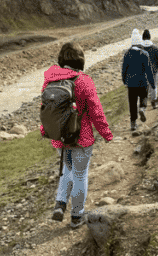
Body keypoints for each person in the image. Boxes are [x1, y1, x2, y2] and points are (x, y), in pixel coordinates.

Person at [40, 41, 113, 228]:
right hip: (82, 138)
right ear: (80, 60)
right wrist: (106, 134)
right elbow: (96, 111)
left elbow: (46, 110)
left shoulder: (50, 80)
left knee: (67, 170)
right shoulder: (83, 81)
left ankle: (60, 203)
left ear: (61, 60)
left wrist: (46, 131)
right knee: (80, 175)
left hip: (59, 137)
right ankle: (76, 216)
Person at [121, 28, 156, 133]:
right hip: (142, 82)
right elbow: (149, 71)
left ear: (132, 43)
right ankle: (142, 108)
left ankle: (133, 123)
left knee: (132, 103)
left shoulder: (127, 54)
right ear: (140, 42)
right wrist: (152, 83)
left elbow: (124, 69)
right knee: (144, 96)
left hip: (131, 83)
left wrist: (124, 80)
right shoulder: (145, 54)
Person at [141, 29, 158, 108]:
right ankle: (153, 103)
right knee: (153, 86)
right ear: (150, 37)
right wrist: (157, 68)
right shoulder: (154, 48)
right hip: (153, 71)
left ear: (142, 38)